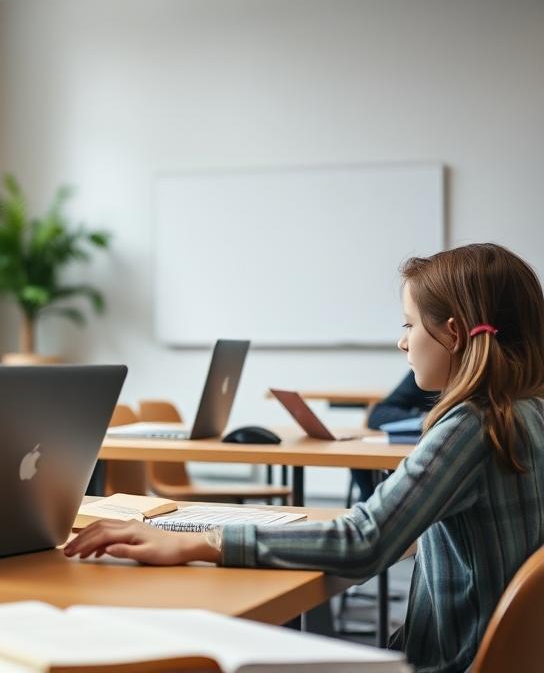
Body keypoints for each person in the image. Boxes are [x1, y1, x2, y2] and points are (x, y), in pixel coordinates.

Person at [65, 243, 544, 673]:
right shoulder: (529, 413)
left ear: (453, 333)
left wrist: (196, 542)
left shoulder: (472, 426)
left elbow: (364, 541)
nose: (403, 341)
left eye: (409, 324)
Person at [352, 370, 439, 501]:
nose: (409, 360)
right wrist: (427, 419)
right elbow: (378, 415)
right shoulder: (426, 371)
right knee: (362, 462)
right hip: (414, 460)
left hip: (430, 470)